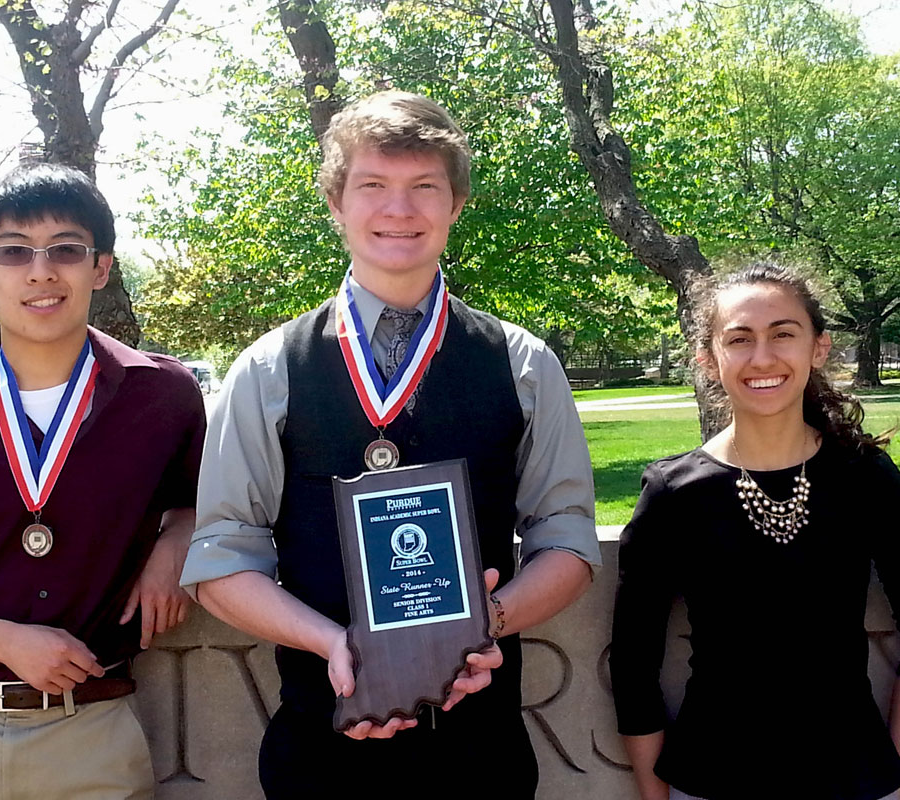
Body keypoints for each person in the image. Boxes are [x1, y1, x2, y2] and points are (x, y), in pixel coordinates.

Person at [181, 90, 601, 798]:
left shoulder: (523, 364)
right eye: (372, 186)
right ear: (335, 205)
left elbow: (567, 538)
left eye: (423, 188)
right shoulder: (267, 369)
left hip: (481, 758)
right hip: (323, 753)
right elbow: (221, 557)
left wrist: (484, 624)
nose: (398, 210)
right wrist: (333, 645)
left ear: (455, 204)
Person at [0, 163, 206, 799]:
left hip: (95, 736)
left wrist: (182, 536)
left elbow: (217, 506)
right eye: (14, 252)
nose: (41, 272)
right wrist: (6, 643)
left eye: (67, 251)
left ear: (100, 268)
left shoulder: (164, 399)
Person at [610, 263, 900, 800]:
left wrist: (891, 773)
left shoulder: (864, 477)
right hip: (711, 778)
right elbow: (633, 663)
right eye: (740, 339)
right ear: (709, 359)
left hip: (854, 777)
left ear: (819, 348)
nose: (762, 358)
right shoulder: (673, 493)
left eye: (783, 334)